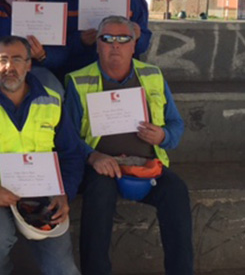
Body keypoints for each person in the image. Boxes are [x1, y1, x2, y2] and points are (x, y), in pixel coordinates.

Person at [64, 15, 193, 275]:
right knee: (99, 196)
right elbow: (68, 138)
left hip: (146, 164)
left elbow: (176, 125)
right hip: (102, 166)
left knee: (177, 192)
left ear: (134, 45)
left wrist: (163, 136)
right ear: (97, 45)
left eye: (123, 39)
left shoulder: (152, 76)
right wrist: (93, 156)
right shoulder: (79, 81)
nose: (115, 45)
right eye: (107, 38)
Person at [0, 36, 83, 275]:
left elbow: (71, 154)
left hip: (45, 193)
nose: (9, 67)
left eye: (17, 59)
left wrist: (65, 191)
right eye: (2, 60)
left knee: (64, 269)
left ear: (29, 65)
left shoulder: (52, 101)